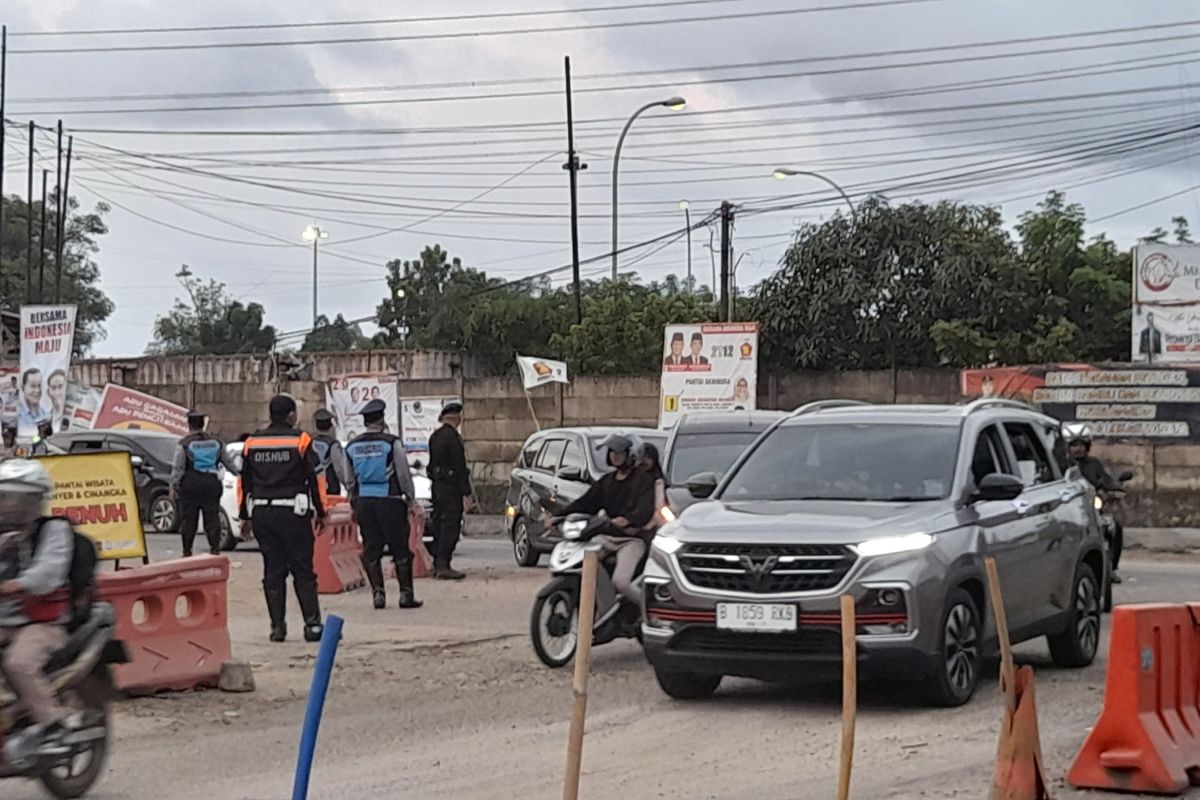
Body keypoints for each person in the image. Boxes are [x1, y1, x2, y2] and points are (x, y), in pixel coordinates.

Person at [0, 459, 80, 750]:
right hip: (4, 620)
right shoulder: (4, 534)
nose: (11, 505)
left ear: (36, 500)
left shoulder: (54, 530)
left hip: (42, 621)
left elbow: (50, 570)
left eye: (19, 498)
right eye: (7, 497)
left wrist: (18, 584)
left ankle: (53, 724)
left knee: (18, 663)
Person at [239, 395, 326, 643]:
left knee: (273, 571)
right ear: (290, 416)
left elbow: (245, 482)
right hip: (293, 514)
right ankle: (312, 626)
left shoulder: (252, 442)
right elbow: (314, 479)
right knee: (303, 570)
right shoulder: (301, 440)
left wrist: (245, 515)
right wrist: (321, 512)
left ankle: (277, 628)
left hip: (262, 514)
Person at [545, 434, 655, 606]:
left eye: (619, 452)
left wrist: (628, 520)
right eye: (611, 452)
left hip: (631, 540)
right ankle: (604, 607)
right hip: (606, 535)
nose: (614, 455)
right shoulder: (607, 481)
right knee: (585, 564)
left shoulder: (643, 481)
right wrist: (559, 515)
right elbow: (586, 502)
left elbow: (645, 509)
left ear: (631, 454)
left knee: (621, 582)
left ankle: (649, 614)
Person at [338, 399, 423, 610]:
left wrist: (353, 501)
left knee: (371, 547)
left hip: (365, 502)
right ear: (382, 419)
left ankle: (378, 594)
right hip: (391, 501)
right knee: (400, 549)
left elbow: (349, 479)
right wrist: (411, 500)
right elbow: (403, 474)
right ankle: (405, 595)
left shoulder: (352, 446)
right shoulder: (391, 443)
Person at [171, 410, 238, 557]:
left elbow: (178, 467)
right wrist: (239, 474)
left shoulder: (185, 444)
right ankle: (214, 549)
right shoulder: (217, 442)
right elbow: (229, 463)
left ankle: (187, 551)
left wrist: (174, 485)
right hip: (211, 484)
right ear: (203, 424)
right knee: (212, 518)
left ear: (189, 425)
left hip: (190, 485)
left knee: (189, 519)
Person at [1063, 423, 1124, 583]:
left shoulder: (1094, 464)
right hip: (1068, 509)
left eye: (1081, 445)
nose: (1078, 449)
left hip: (1092, 508)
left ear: (1087, 446)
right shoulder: (1062, 466)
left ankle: (1111, 568)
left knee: (1114, 526)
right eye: (1073, 445)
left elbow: (1105, 480)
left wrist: (1112, 490)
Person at [427, 401, 473, 580]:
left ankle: (437, 563)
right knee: (451, 525)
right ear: (457, 418)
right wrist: (466, 492)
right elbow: (460, 467)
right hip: (451, 487)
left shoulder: (435, 436)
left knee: (439, 523)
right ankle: (444, 565)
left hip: (437, 486)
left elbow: (430, 466)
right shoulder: (453, 438)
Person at [310, 409, 343, 499]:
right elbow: (340, 469)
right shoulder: (333, 444)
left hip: (314, 484)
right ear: (331, 425)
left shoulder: (309, 442)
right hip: (330, 484)